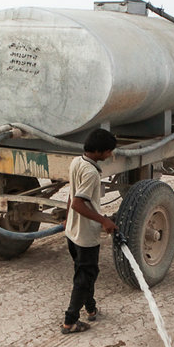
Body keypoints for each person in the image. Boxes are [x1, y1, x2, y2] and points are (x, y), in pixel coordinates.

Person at [61, 128, 118, 334]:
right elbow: (78, 202)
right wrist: (104, 220)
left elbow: (71, 194)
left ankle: (91, 309)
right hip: (85, 236)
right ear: (99, 151)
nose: (110, 155)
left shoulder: (77, 162)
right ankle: (70, 321)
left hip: (73, 232)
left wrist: (67, 219)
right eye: (109, 151)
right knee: (84, 277)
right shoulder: (91, 172)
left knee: (86, 273)